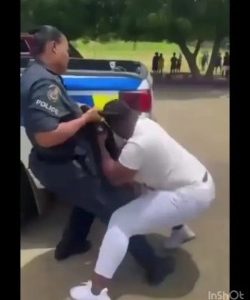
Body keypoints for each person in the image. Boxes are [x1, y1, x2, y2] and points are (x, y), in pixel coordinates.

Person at [21, 25, 174, 286]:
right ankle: (154, 265)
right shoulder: (43, 83)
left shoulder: (38, 73)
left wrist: (75, 113)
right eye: (67, 50)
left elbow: (52, 118)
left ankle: (71, 243)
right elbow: (46, 135)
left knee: (88, 198)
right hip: (63, 163)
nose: (69, 56)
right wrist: (84, 120)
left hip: (60, 162)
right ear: (53, 47)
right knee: (115, 208)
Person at [70, 100, 215, 300]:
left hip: (190, 196)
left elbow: (114, 176)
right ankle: (180, 231)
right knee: (147, 192)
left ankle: (96, 292)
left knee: (120, 222)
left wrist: (102, 144)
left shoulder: (138, 145)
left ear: (118, 126)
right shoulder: (146, 123)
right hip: (197, 181)